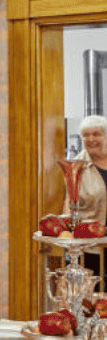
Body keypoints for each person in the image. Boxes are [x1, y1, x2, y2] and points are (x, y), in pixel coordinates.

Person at [63, 114, 107, 286]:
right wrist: (69, 236)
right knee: (93, 296)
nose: (91, 139)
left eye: (96, 134)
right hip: (91, 246)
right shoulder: (77, 167)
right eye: (86, 135)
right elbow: (69, 203)